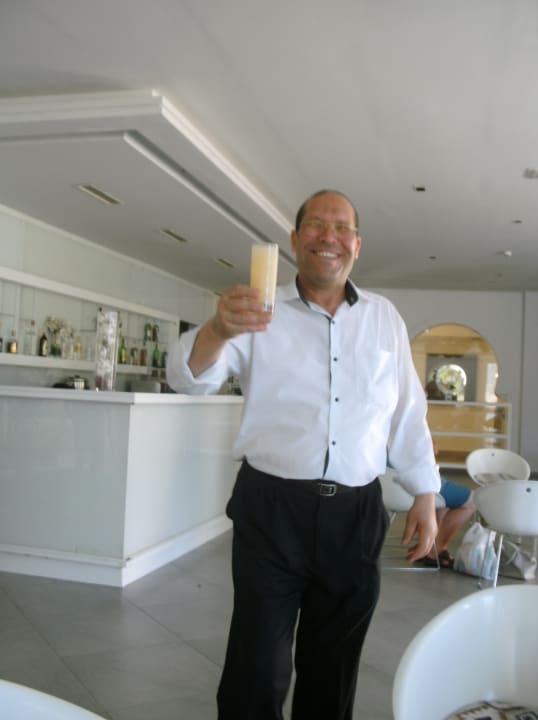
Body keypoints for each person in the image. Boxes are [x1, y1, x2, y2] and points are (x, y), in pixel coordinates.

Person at [166, 189, 440, 720]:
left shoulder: (384, 317)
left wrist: (425, 494)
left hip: (356, 514)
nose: (328, 237)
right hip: (271, 509)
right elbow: (188, 379)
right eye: (316, 225)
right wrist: (218, 329)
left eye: (342, 228)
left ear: (357, 244)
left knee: (333, 665)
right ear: (295, 240)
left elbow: (407, 412)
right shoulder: (257, 310)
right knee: (257, 663)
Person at [418, 443, 476, 569]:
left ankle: (427, 545)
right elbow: (430, 449)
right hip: (419, 484)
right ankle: (434, 552)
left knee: (445, 502)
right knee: (473, 500)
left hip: (392, 487)